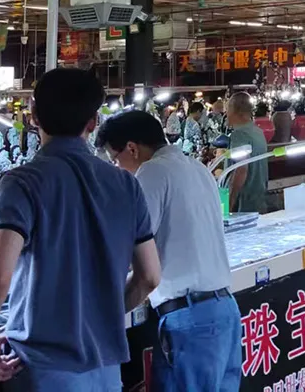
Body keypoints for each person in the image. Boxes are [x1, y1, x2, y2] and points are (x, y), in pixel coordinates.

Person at [0, 68, 161, 390]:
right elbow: (149, 276)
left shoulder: (22, 183)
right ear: (93, 123)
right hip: (106, 372)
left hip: (44, 369)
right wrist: (100, 315)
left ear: (34, 116)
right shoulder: (125, 184)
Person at [95, 112, 240, 391]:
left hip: (190, 319)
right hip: (224, 312)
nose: (118, 168)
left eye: (115, 160)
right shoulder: (197, 167)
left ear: (132, 149)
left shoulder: (151, 171)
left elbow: (129, 245)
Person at [226, 92, 268, 213]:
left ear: (236, 110)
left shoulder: (239, 135)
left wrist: (230, 201)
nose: (227, 114)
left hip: (244, 204)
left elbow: (241, 170)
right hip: (260, 199)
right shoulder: (258, 132)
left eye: (228, 109)